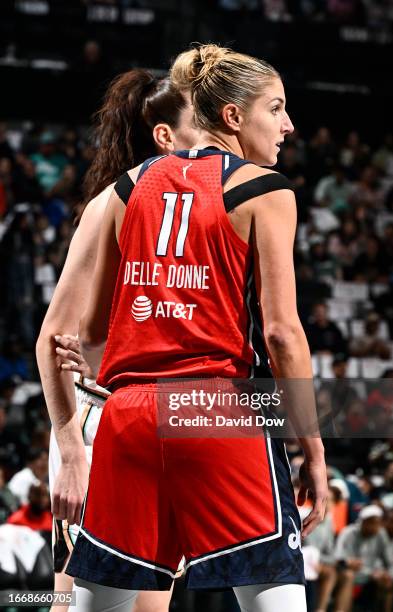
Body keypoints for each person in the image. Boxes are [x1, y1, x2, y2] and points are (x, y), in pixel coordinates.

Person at [66, 44, 327, 612]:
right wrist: (313, 450)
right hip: (212, 409)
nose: (288, 124)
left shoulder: (124, 189)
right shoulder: (264, 188)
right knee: (273, 598)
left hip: (127, 416)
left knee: (95, 604)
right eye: (276, 108)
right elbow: (281, 333)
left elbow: (90, 332)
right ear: (233, 117)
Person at [36, 68, 200, 612]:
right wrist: (70, 448)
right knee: (71, 603)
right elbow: (56, 336)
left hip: (160, 421)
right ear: (165, 135)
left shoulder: (203, 208)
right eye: (198, 124)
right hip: (102, 417)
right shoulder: (114, 202)